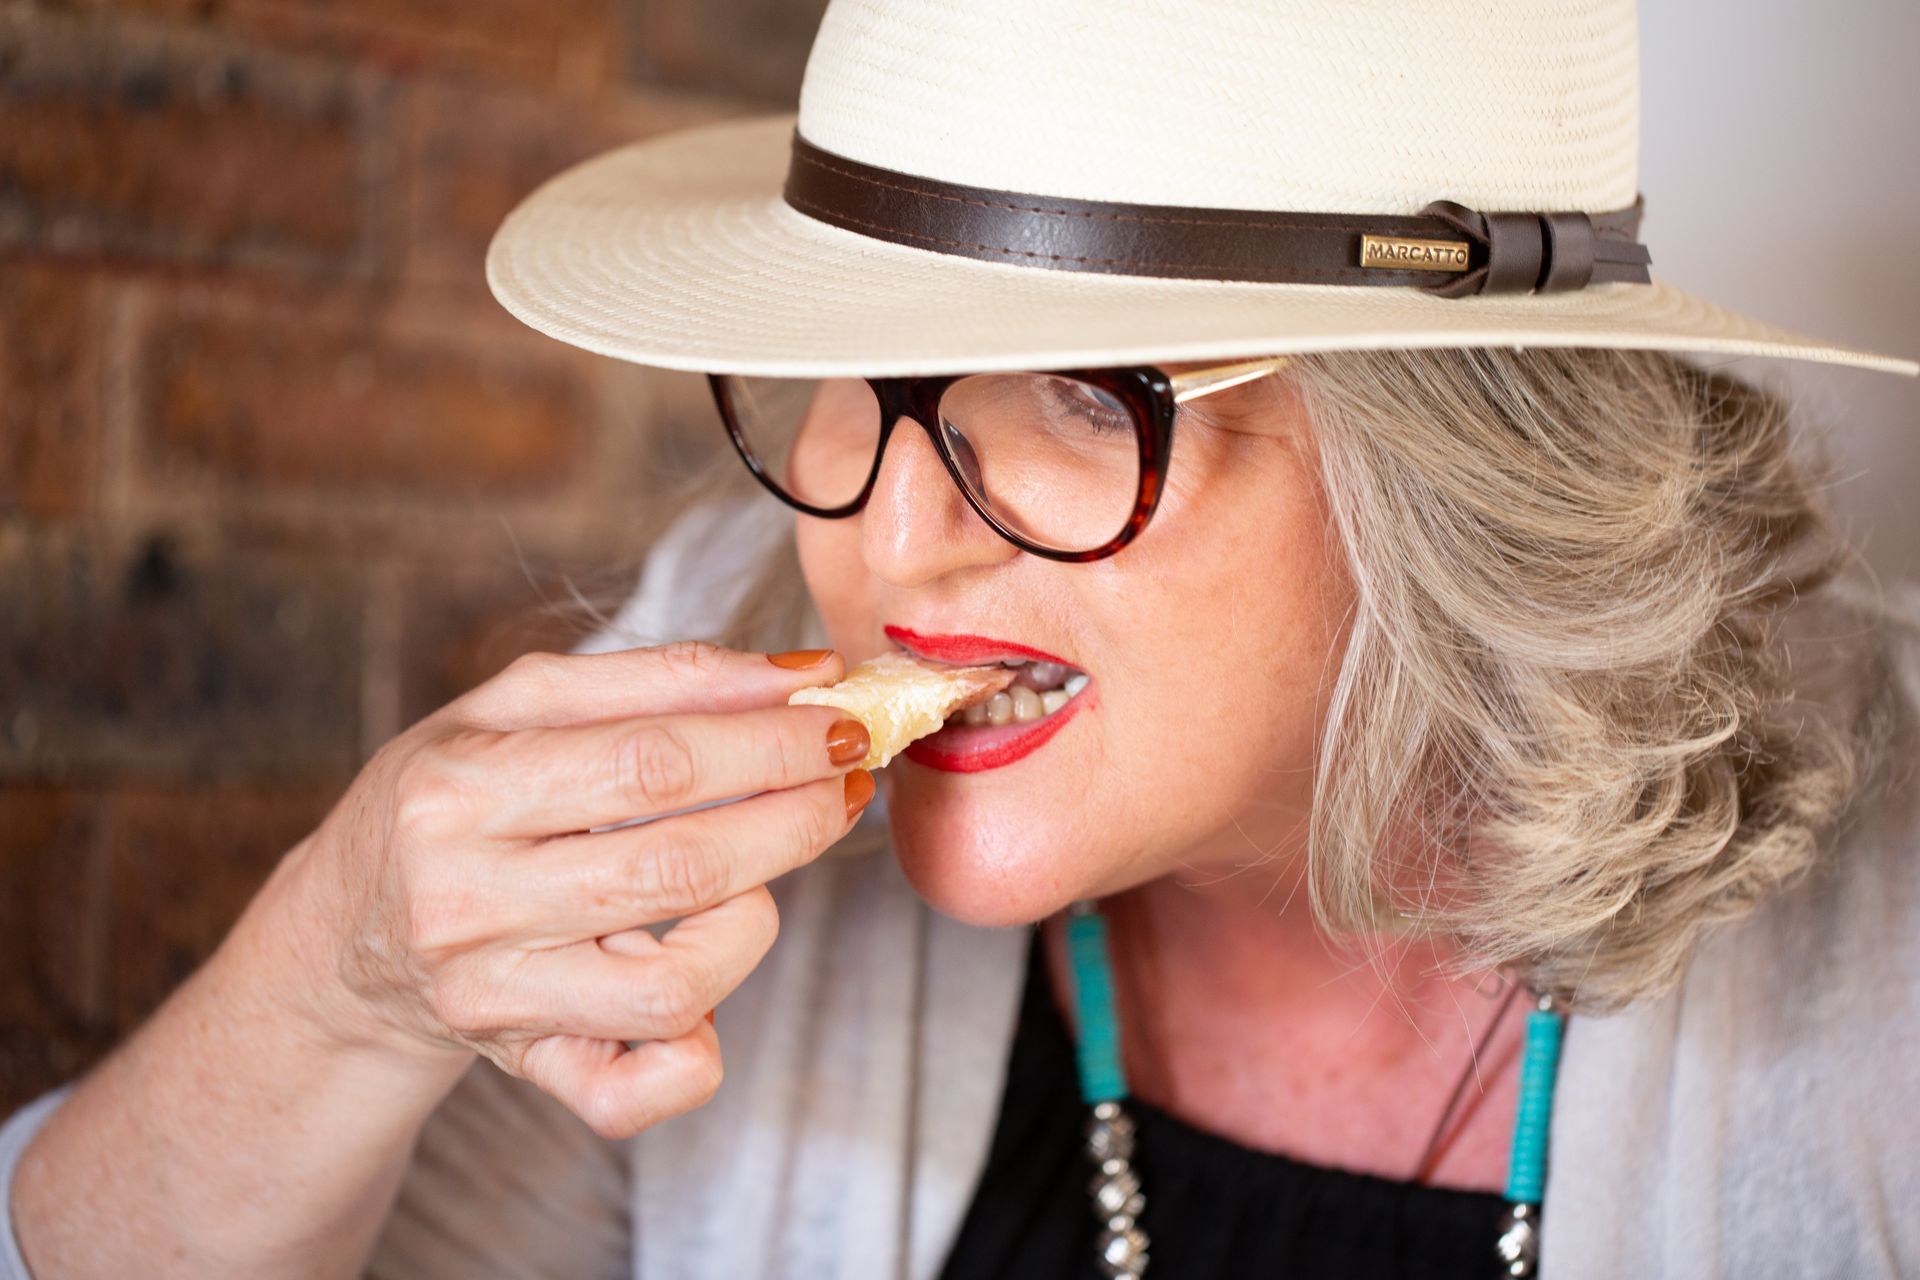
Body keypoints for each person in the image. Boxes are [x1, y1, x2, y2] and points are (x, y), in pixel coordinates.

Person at [5, 1, 1919, 1277]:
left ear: (1463, 482)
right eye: (857, 369)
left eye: (1091, 395)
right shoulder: (725, 711)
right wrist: (342, 975)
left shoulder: (1885, 960)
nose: (884, 528)